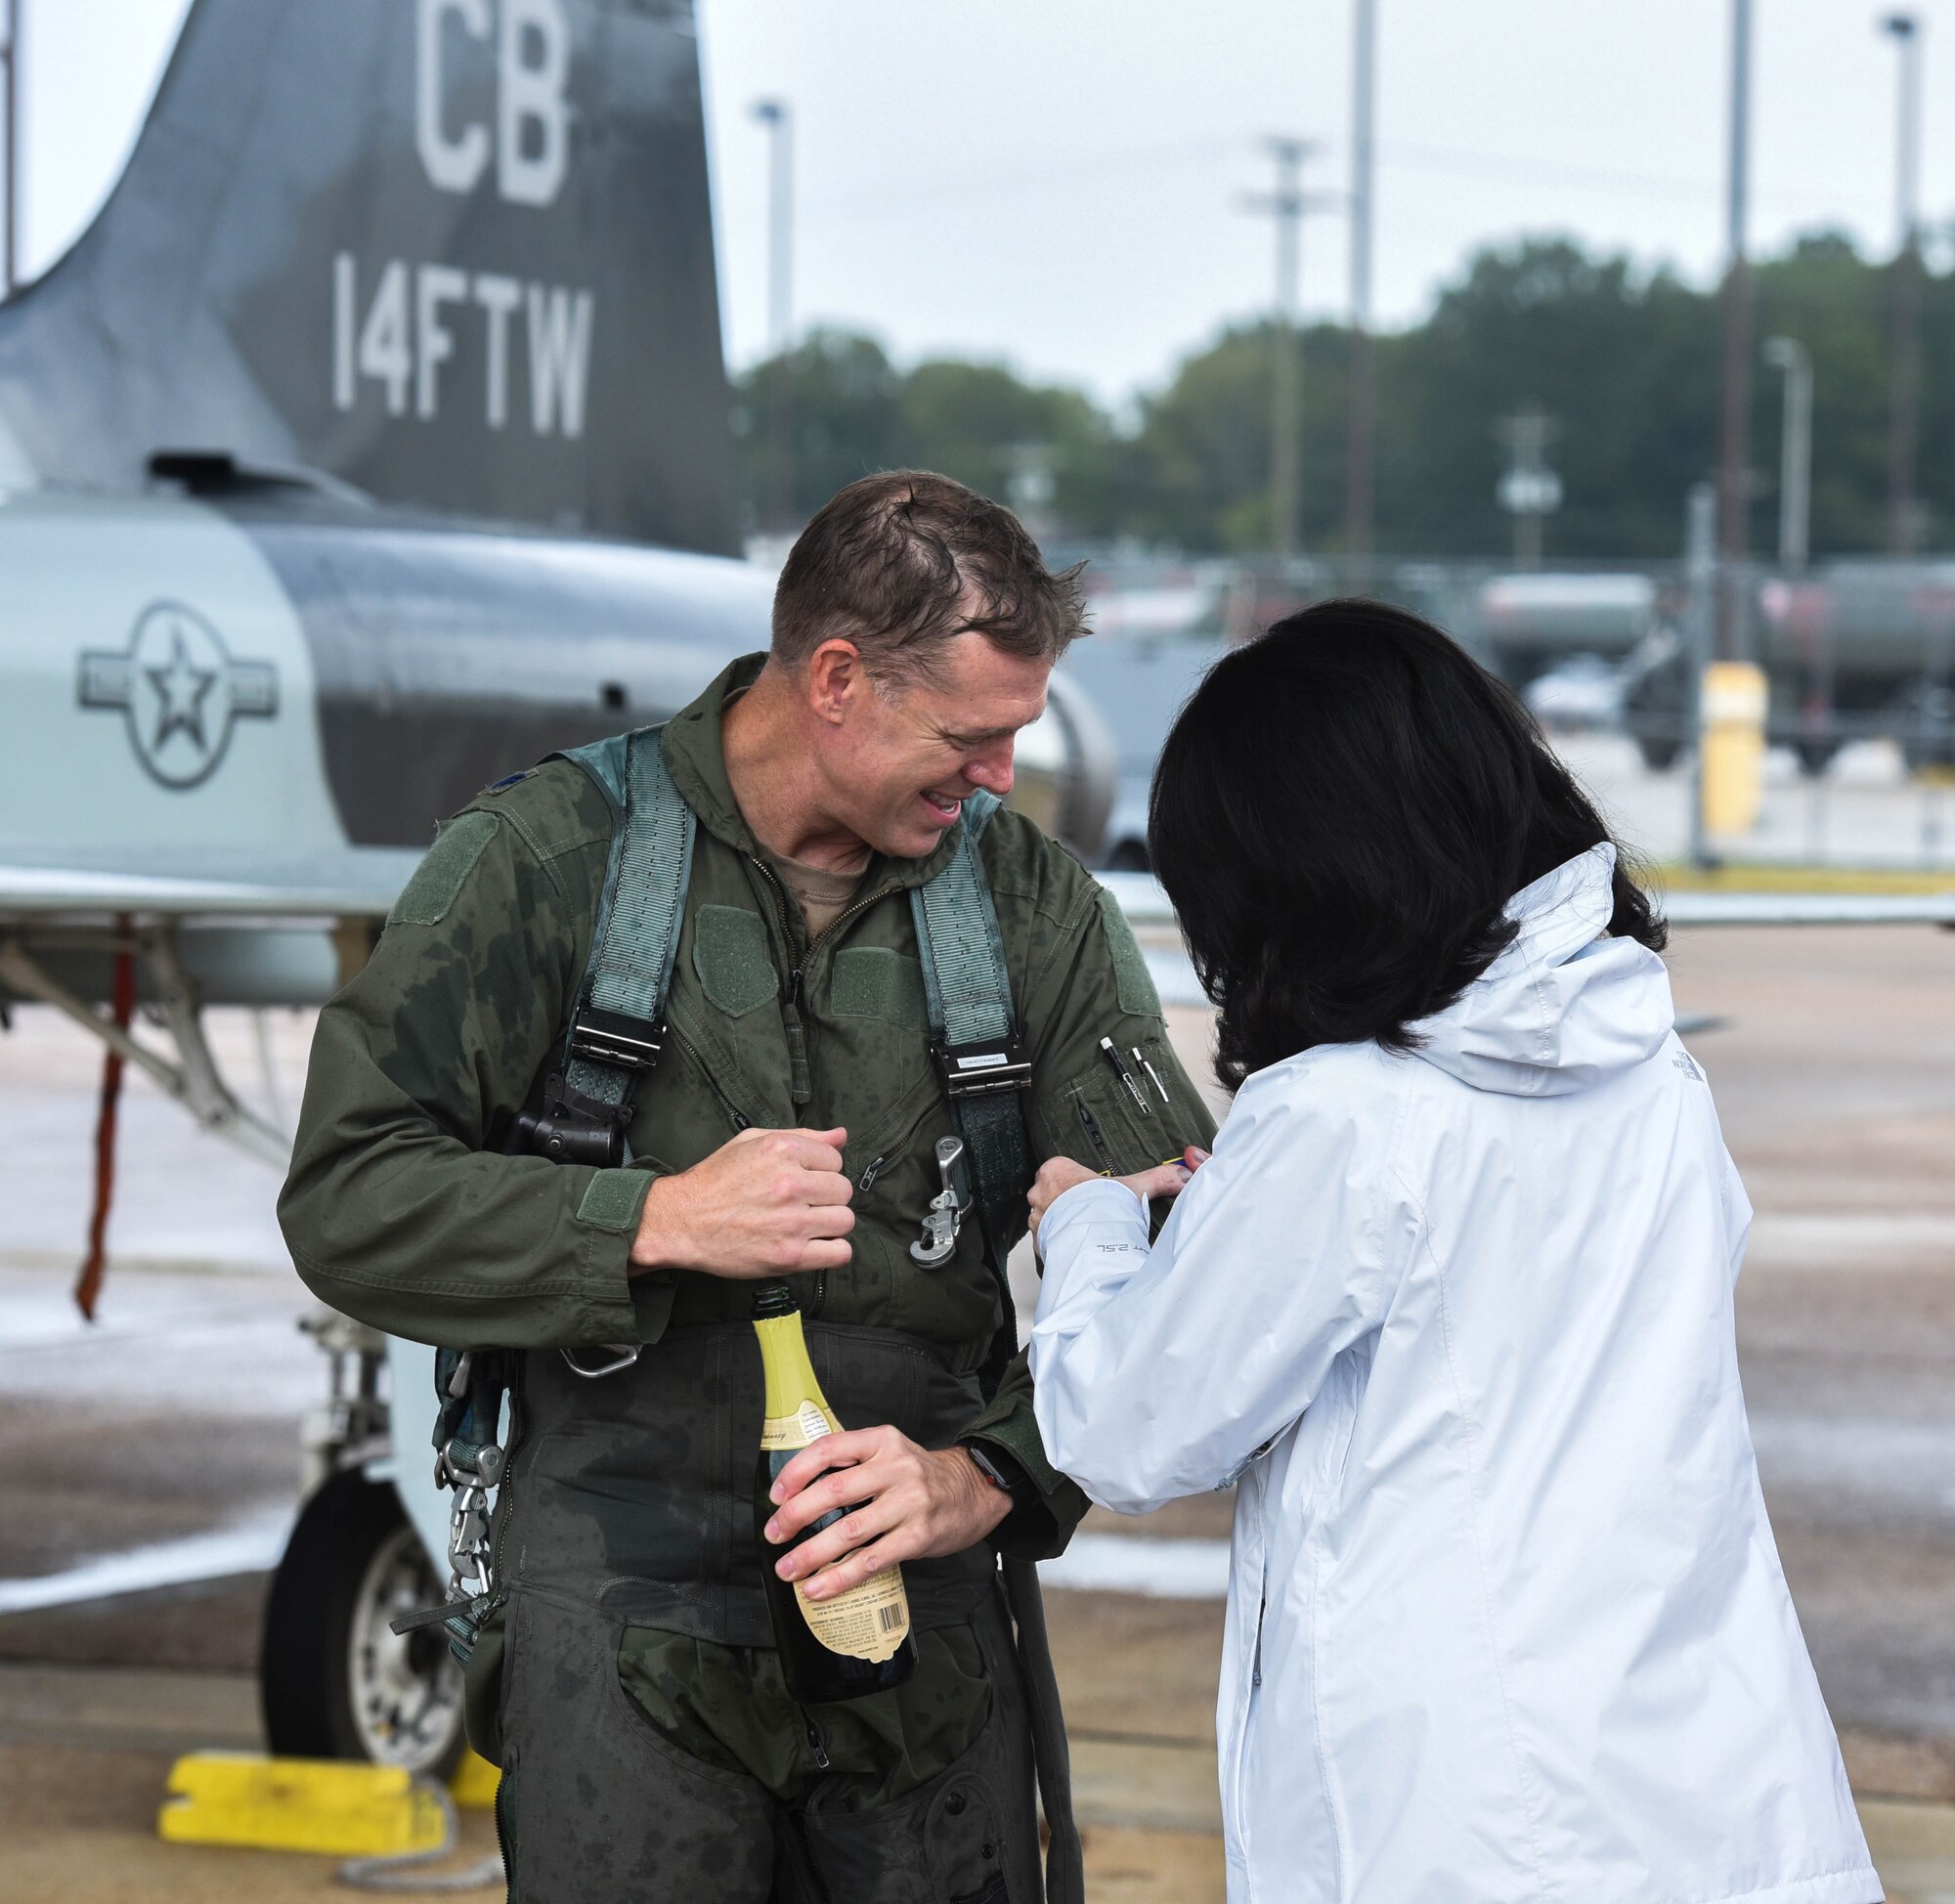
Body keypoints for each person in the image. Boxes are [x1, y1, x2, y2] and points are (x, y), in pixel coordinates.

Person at [278, 470, 1215, 1903]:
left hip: (922, 1610)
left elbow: (1174, 1246)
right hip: (617, 1603)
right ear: (837, 678)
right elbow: (348, 1194)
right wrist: (649, 1219)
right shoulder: (547, 868)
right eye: (970, 735)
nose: (1000, 779)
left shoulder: (1029, 908)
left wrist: (986, 1477)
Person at [1025, 602, 1881, 1904]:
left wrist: (1087, 1227)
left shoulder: (1340, 1116)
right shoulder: (1655, 1072)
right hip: (1719, 1792)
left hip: (1457, 1825)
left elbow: (1133, 1429)